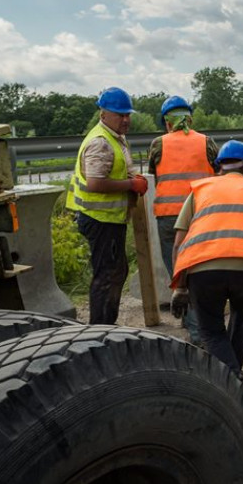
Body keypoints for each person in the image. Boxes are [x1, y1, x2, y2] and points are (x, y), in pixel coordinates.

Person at [170, 140, 243, 381]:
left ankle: (232, 378)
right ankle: (234, 377)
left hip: (204, 273)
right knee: (241, 318)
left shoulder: (200, 190)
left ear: (219, 169)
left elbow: (178, 244)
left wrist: (180, 287)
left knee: (211, 329)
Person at [66, 87, 148, 324]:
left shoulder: (114, 137)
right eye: (120, 115)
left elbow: (118, 168)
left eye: (127, 114)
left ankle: (105, 326)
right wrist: (131, 184)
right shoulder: (101, 142)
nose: (126, 119)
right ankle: (100, 330)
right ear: (104, 115)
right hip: (100, 220)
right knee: (107, 276)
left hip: (108, 219)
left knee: (116, 271)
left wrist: (133, 178)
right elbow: (95, 183)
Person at [147, 95, 217, 344]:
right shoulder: (207, 143)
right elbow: (217, 174)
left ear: (166, 123)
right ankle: (203, 329)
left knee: (180, 277)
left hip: (168, 219)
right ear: (190, 118)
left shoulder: (158, 144)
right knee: (202, 273)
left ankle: (196, 331)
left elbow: (156, 176)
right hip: (202, 216)